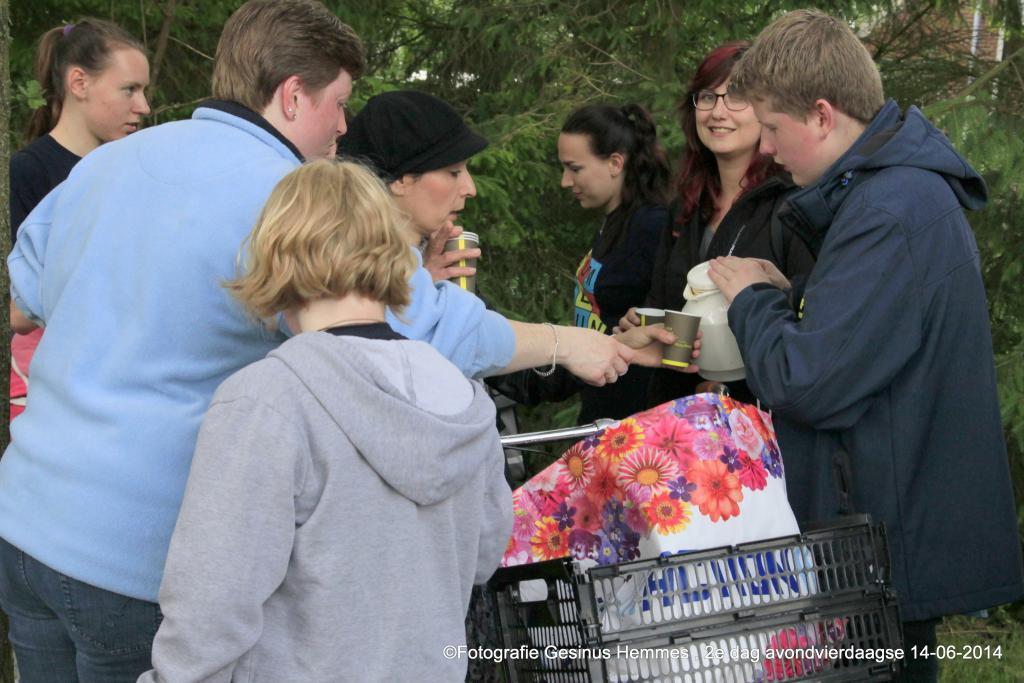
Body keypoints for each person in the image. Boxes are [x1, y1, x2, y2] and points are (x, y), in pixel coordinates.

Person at [0, 4, 665, 679]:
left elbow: (25, 296)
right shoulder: (291, 195)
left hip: (26, 517)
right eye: (340, 102)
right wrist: (566, 343)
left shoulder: (111, 160)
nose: (345, 127)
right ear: (294, 95)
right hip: (138, 559)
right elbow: (426, 327)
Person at [707, 10, 1024, 681]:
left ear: (822, 116)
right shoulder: (889, 197)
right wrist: (792, 292)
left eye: (773, 128)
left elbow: (807, 381)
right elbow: (870, 333)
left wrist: (751, 301)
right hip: (881, 536)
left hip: (885, 549)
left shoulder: (888, 209)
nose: (767, 148)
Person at [138, 159, 513, 682]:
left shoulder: (267, 400)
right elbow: (483, 554)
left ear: (278, 255)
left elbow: (213, 604)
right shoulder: (462, 395)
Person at [337, 90, 682, 386]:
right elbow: (461, 338)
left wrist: (609, 345)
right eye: (454, 172)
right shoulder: (351, 267)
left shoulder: (646, 224)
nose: (470, 188)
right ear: (400, 179)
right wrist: (566, 343)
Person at [617, 41, 814, 407]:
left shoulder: (793, 206)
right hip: (685, 419)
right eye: (707, 97)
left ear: (766, 110)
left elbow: (811, 329)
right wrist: (645, 326)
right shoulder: (685, 208)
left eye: (736, 96)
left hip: (762, 421)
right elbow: (667, 309)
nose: (718, 112)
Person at [9, 18, 150, 420]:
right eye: (129, 89)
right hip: (45, 388)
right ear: (79, 83)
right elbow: (19, 310)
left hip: (122, 379)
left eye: (144, 91)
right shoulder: (29, 171)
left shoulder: (134, 167)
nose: (143, 106)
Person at [554, 104, 671, 423]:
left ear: (615, 163)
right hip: (601, 411)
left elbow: (675, 321)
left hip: (636, 424)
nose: (565, 181)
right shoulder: (613, 222)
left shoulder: (653, 226)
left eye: (574, 168)